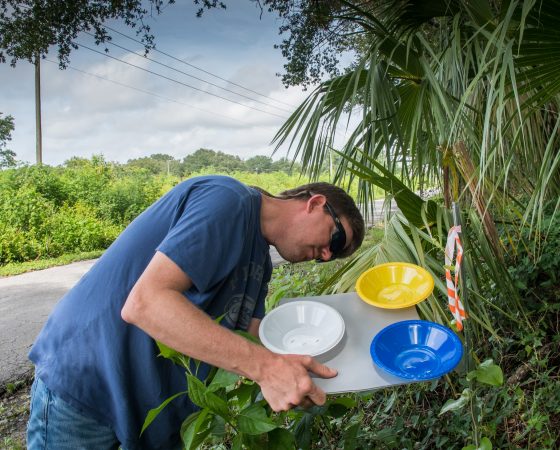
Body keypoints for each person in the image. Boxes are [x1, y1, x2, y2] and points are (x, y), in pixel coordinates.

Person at [27, 174, 365, 449]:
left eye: (333, 257)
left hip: (149, 414)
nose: (325, 256)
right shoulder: (227, 201)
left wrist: (303, 370)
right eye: (335, 242)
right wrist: (267, 368)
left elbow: (251, 336)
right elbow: (146, 303)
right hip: (88, 387)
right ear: (316, 204)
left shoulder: (259, 262)